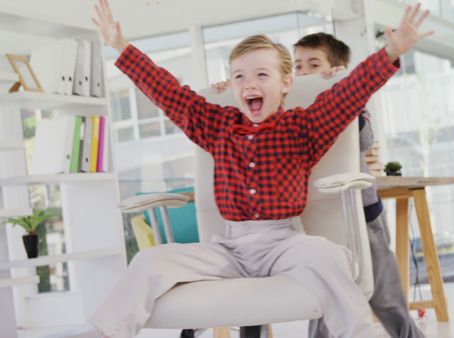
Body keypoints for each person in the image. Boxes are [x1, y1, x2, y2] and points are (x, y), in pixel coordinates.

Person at [88, 0, 433, 337]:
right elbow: (167, 92)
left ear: (285, 83)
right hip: (229, 247)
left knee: (329, 255)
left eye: (261, 74)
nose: (248, 83)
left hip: (284, 240)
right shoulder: (215, 125)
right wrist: (120, 46)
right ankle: (107, 332)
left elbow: (349, 94)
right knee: (149, 262)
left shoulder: (303, 128)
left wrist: (389, 53)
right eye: (238, 76)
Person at [230, 32, 426, 338]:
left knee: (385, 296)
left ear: (334, 68)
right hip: (309, 218)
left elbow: (364, 140)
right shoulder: (277, 101)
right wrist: (227, 89)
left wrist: (340, 87)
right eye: (298, 65)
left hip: (360, 211)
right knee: (321, 296)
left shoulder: (339, 95)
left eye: (314, 64)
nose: (305, 71)